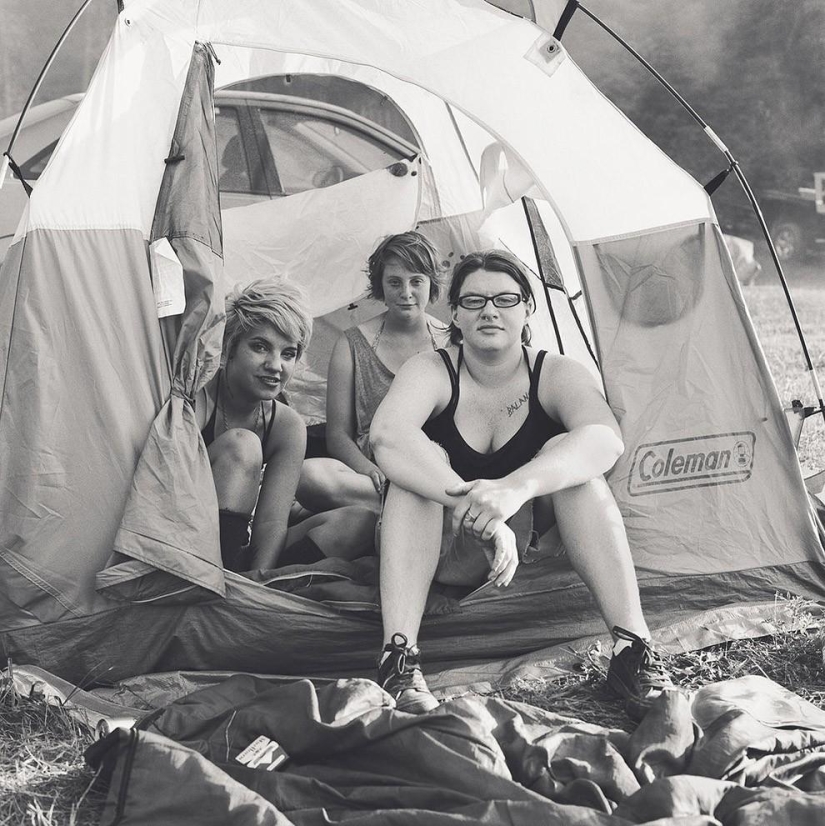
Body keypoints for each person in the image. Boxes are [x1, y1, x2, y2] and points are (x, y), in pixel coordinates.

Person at [369, 250, 673, 719]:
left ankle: (633, 651)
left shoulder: (555, 373)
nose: (490, 310)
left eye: (505, 299)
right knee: (417, 471)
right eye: (474, 301)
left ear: (527, 308)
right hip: (447, 547)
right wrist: (477, 504)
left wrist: (515, 488)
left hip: (528, 549)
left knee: (577, 472)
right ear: (454, 313)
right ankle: (400, 660)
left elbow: (604, 438)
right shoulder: (431, 370)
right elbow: (387, 436)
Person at [198, 278, 374, 572]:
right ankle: (218, 580)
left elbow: (270, 522)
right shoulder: (199, 397)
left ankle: (248, 584)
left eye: (288, 353)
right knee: (243, 446)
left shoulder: (285, 423)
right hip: (189, 539)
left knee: (358, 522)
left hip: (241, 544)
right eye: (260, 347)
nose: (275, 365)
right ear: (229, 348)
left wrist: (258, 578)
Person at [297, 231, 446, 513]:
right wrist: (365, 469)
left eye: (416, 281)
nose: (406, 293)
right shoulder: (353, 343)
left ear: (431, 284)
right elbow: (339, 435)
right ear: (380, 285)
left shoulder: (451, 341)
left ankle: (412, 508)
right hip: (377, 476)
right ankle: (421, 509)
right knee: (310, 477)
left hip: (439, 471)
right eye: (394, 282)